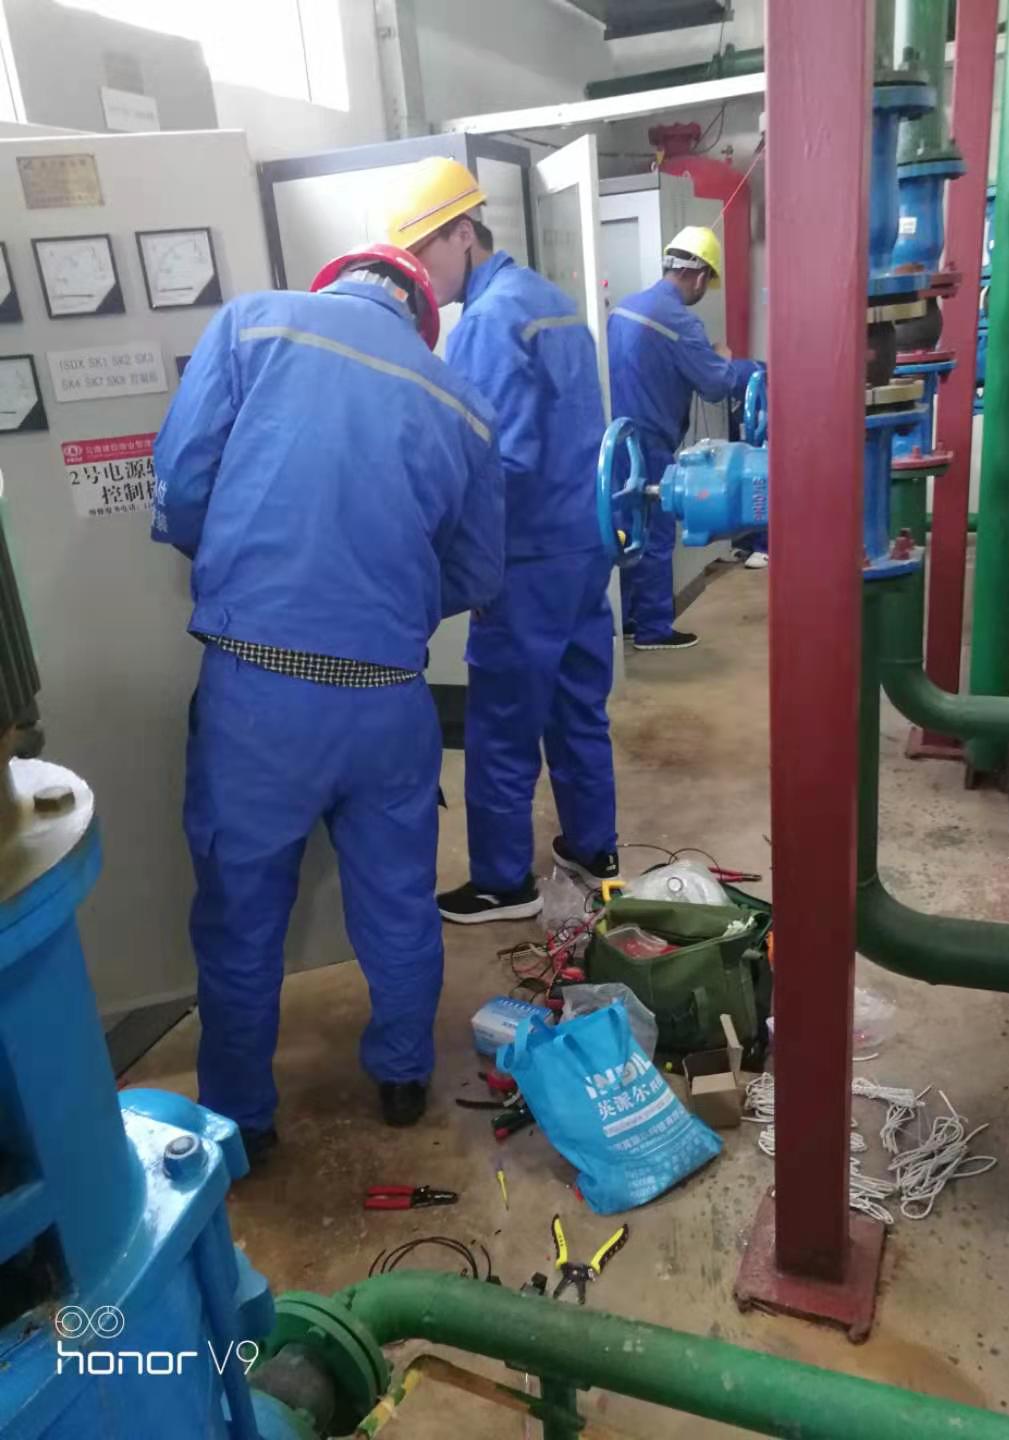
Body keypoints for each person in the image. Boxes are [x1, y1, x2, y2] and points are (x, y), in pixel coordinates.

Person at [151, 244, 504, 1154]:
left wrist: (245, 565)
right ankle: (402, 1077)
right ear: (422, 317)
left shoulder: (253, 325)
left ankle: (241, 1119)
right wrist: (383, 605)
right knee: (398, 901)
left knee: (240, 915)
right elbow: (476, 572)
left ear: (336, 281)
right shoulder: (461, 404)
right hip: (388, 698)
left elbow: (182, 486)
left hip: (257, 690)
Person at [386, 157, 619, 924]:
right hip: (584, 544)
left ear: (464, 233)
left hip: (525, 557)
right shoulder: (551, 301)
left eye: (424, 252)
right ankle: (594, 849)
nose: (418, 276)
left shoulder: (486, 322)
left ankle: (500, 882)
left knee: (502, 725)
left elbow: (496, 463)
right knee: (578, 706)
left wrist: (468, 565)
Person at [608, 226, 763, 650]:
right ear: (698, 275)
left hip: (615, 440)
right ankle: (654, 629)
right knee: (656, 533)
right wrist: (726, 360)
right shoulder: (680, 321)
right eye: (707, 282)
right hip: (650, 442)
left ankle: (627, 619)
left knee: (623, 530)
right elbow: (716, 385)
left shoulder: (623, 309)